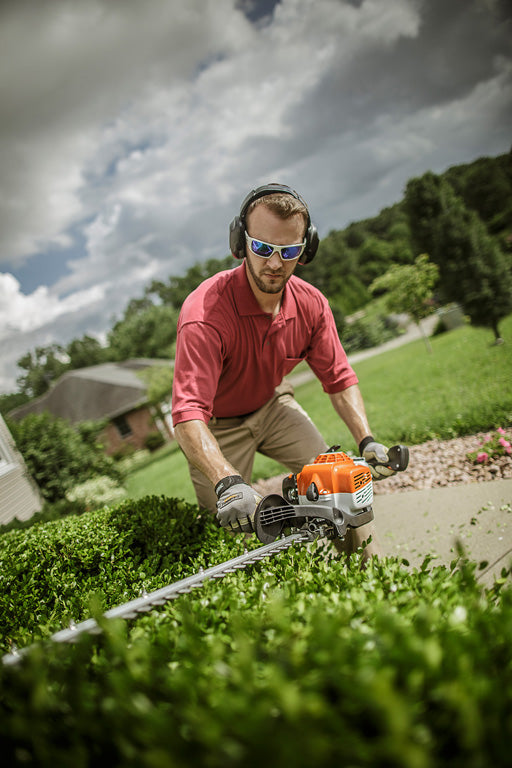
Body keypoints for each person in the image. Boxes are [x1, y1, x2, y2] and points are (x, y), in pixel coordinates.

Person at [171, 183, 395, 558]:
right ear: (240, 242)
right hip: (218, 425)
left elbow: (338, 379)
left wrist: (367, 441)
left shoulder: (311, 305)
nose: (275, 263)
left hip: (273, 406)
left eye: (288, 251)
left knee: (339, 487)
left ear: (306, 250)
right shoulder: (204, 316)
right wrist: (227, 483)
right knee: (232, 529)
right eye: (262, 248)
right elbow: (187, 413)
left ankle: (367, 580)